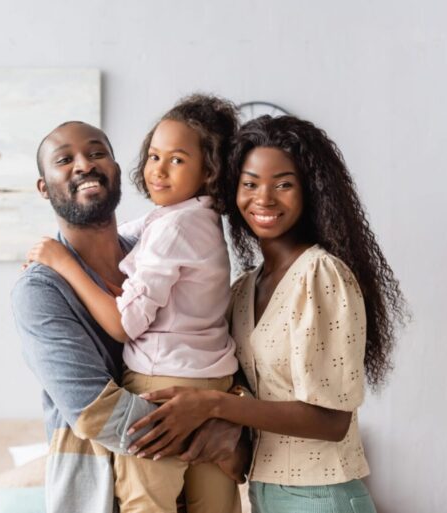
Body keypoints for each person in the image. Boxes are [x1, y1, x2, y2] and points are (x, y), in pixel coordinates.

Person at [128, 115, 408, 513]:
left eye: (283, 184)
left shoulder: (321, 274)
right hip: (265, 494)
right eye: (250, 183)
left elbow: (331, 421)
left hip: (322, 498)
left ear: (311, 191)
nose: (264, 198)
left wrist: (211, 406)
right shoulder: (243, 288)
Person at [12, 120, 248, 513]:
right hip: (100, 496)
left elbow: (211, 338)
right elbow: (94, 412)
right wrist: (210, 429)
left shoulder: (160, 248)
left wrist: (230, 410)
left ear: (117, 170)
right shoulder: (41, 289)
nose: (84, 164)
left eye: (97, 152)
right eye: (65, 159)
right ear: (44, 187)